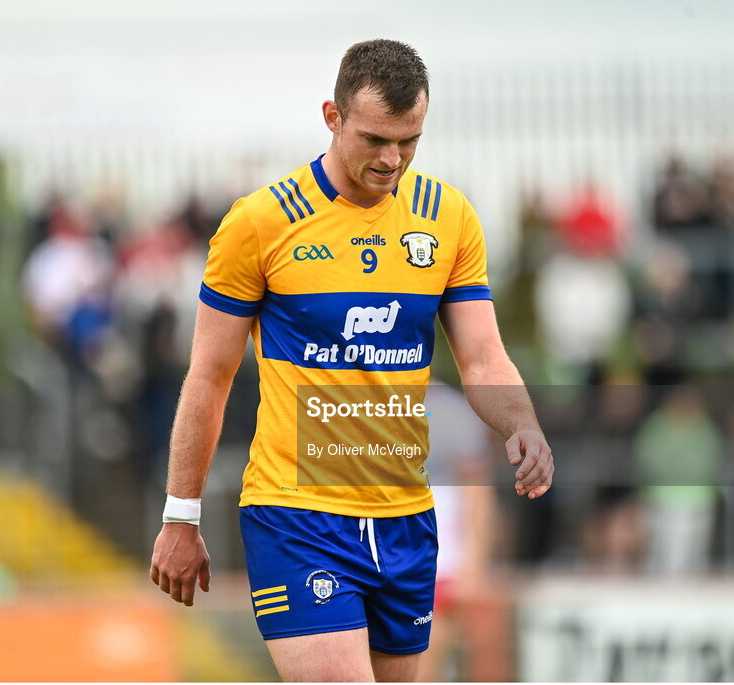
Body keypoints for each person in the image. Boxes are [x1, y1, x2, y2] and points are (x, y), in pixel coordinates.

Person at [149, 39, 553, 682]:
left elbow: (481, 357)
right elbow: (209, 376)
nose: (392, 159)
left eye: (409, 141)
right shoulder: (260, 223)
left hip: (406, 519)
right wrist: (181, 513)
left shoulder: (447, 218)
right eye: (375, 139)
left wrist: (522, 422)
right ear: (332, 118)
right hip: (297, 516)